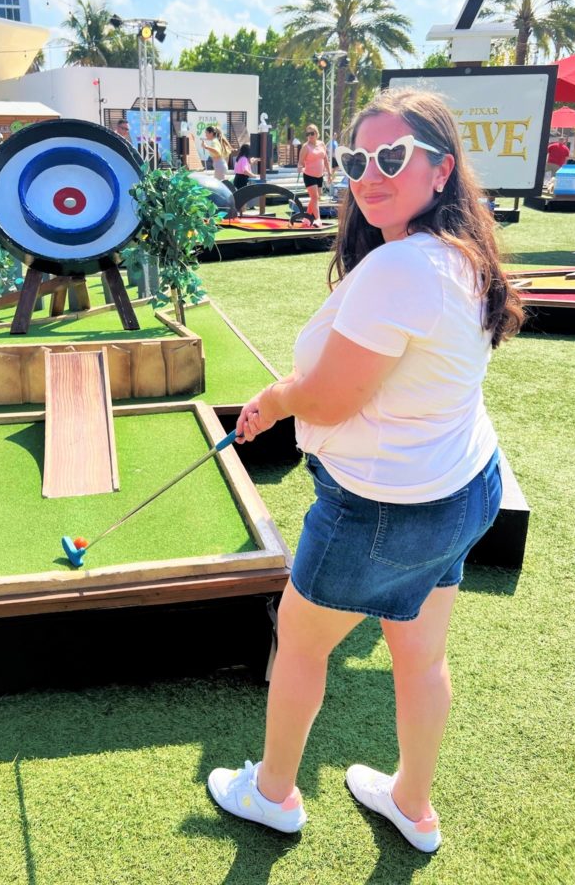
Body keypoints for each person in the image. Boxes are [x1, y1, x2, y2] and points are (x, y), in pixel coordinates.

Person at [207, 88, 523, 853]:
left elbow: (333, 398)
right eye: (356, 160)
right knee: (421, 653)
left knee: (303, 639)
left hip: (383, 506)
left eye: (391, 157)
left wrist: (279, 400)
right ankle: (412, 803)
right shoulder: (461, 253)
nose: (368, 174)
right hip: (462, 487)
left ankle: (275, 793)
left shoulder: (401, 270)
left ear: (441, 169)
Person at [297, 124, 331, 226]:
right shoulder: (305, 147)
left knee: (316, 198)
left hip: (319, 176)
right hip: (309, 175)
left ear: (317, 134)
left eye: (312, 133)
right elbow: (300, 162)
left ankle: (306, 218)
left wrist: (329, 173)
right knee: (315, 197)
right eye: (308, 134)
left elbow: (326, 159)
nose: (310, 136)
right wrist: (299, 167)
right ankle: (318, 219)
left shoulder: (321, 144)